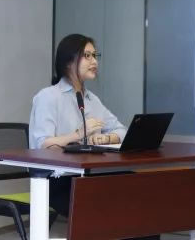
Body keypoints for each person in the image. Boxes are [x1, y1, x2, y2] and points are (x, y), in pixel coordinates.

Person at [29, 33, 127, 216]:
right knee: (110, 201)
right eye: (87, 56)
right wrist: (77, 134)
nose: (94, 61)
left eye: (95, 56)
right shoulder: (48, 97)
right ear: (68, 62)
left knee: (134, 187)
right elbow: (42, 144)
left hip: (88, 174)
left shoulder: (92, 100)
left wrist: (106, 138)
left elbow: (122, 130)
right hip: (58, 180)